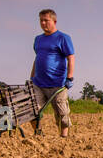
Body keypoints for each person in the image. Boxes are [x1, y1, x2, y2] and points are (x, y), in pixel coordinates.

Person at [29, 8, 75, 137]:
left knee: (62, 113)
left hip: (57, 83)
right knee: (32, 111)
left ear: (54, 21)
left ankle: (64, 138)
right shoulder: (38, 39)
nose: (43, 23)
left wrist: (69, 78)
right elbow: (37, 58)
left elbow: (70, 57)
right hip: (38, 82)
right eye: (41, 20)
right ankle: (39, 134)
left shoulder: (63, 38)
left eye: (46, 20)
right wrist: (31, 77)